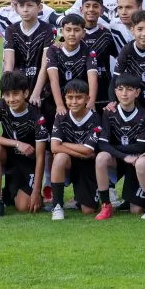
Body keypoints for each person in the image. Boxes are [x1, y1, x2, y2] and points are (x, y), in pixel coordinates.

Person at [0, 71, 47, 217]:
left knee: (24, 207)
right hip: (10, 156)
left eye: (15, 93)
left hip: (29, 162)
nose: (11, 99)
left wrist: (37, 191)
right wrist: (18, 144)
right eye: (7, 94)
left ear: (25, 93)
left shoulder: (37, 115)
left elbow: (40, 157)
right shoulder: (1, 105)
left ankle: (17, 193)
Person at [93, 74, 145, 220]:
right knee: (101, 157)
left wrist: (116, 149)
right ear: (115, 92)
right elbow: (102, 143)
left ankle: (138, 199)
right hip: (119, 159)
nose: (124, 93)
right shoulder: (109, 112)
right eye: (120, 89)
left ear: (137, 92)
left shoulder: (144, 114)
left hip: (136, 161)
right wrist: (124, 156)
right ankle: (106, 205)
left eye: (129, 89)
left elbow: (140, 146)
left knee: (136, 210)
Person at [48, 79, 101, 220]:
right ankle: (57, 206)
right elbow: (54, 147)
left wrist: (63, 144)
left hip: (88, 165)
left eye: (79, 97)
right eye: (70, 97)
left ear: (87, 99)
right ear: (65, 98)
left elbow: (88, 151)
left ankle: (80, 198)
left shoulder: (95, 118)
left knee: (88, 211)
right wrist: (79, 152)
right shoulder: (61, 117)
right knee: (59, 158)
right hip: (69, 162)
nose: (74, 101)